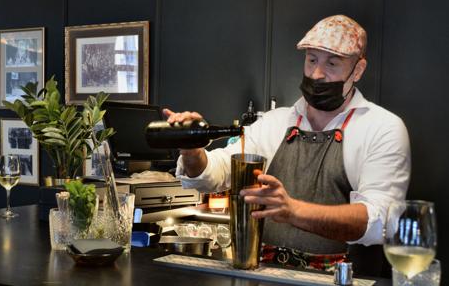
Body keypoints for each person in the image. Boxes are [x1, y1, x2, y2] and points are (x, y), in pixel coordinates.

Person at [164, 15, 410, 275]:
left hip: (345, 281)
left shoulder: (382, 128)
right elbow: (217, 172)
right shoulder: (275, 122)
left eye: (332, 63)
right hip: (269, 277)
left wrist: (294, 211)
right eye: (312, 59)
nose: (316, 74)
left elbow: (381, 220)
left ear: (358, 70)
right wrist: (192, 152)